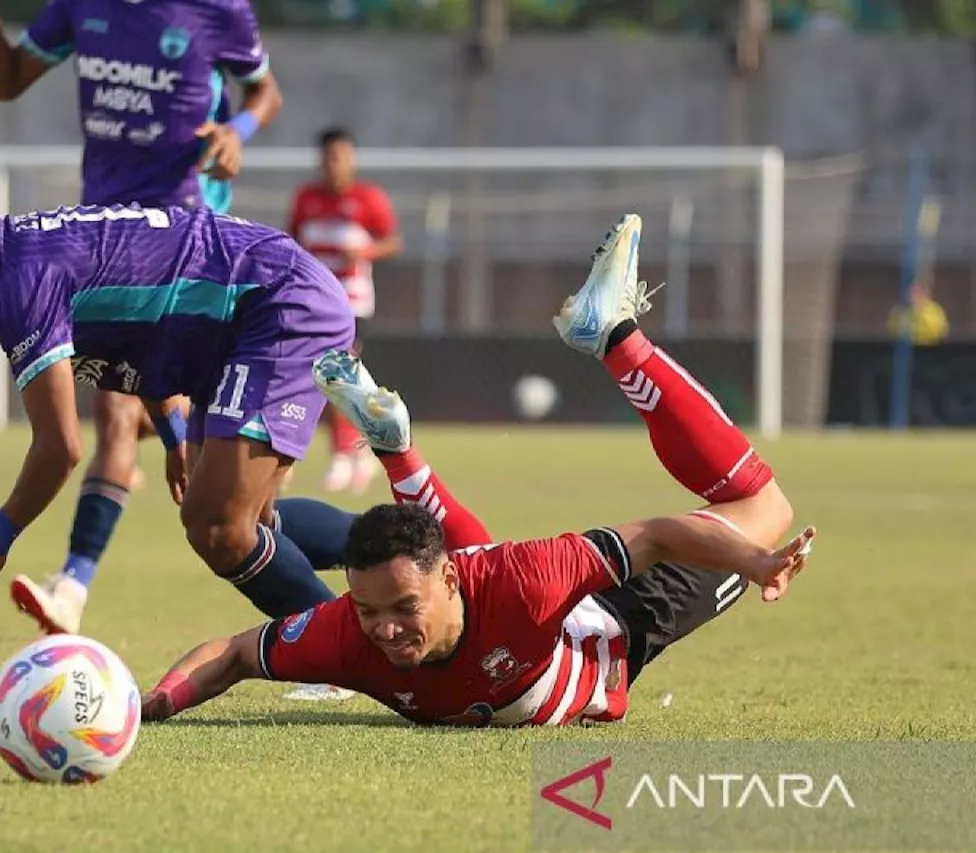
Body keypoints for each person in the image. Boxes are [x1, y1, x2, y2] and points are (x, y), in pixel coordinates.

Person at [141, 213, 816, 727]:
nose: (386, 630)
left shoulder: (530, 580)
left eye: (402, 609)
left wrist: (755, 561)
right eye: (372, 610)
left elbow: (662, 534)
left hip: (616, 624)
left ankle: (614, 335)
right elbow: (230, 653)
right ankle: (400, 448)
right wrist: (148, 706)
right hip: (488, 593)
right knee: (469, 563)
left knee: (764, 506)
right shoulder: (349, 634)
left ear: (449, 583)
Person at [0, 139, 352, 625]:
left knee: (219, 527)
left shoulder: (19, 280)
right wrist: (173, 435)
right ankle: (404, 544)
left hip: (276, 301)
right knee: (241, 516)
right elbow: (141, 326)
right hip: (241, 316)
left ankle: (342, 650)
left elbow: (60, 448)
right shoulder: (21, 255)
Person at [0, 0, 283, 633]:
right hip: (104, 236)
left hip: (190, 236)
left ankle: (313, 600)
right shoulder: (82, 7)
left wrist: (236, 133)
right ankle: (73, 591)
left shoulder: (218, 11)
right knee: (117, 410)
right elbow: (5, 81)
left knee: (224, 458)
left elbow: (266, 92)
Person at [287, 127, 401, 494]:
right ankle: (356, 452)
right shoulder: (306, 198)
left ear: (351, 158)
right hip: (314, 300)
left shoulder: (368, 199)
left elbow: (392, 241)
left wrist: (365, 252)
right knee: (319, 375)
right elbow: (293, 243)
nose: (334, 163)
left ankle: (344, 454)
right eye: (328, 156)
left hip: (352, 303)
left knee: (334, 374)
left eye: (341, 155)